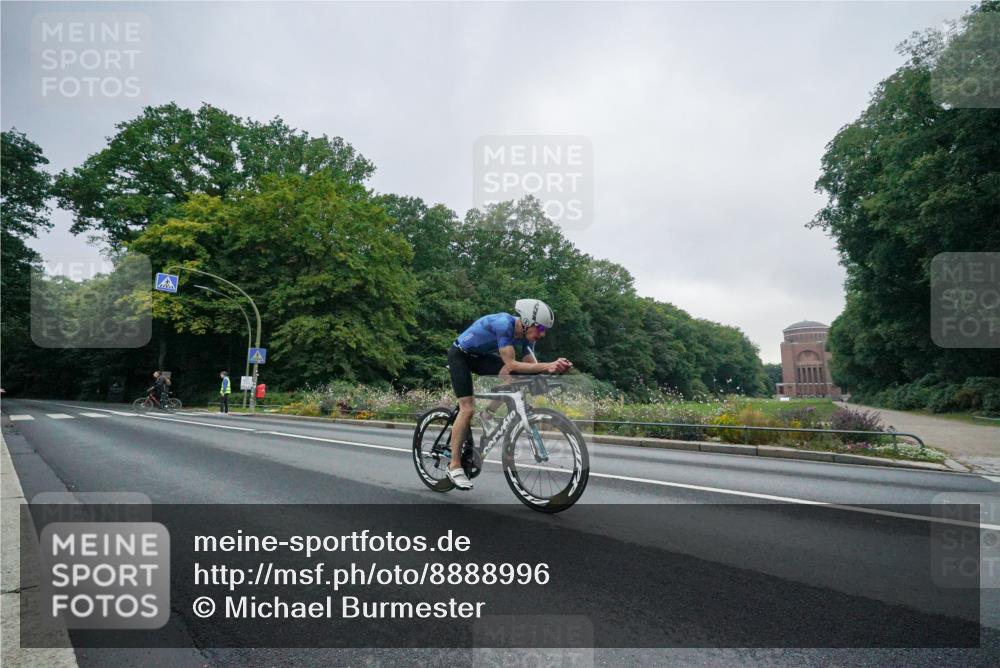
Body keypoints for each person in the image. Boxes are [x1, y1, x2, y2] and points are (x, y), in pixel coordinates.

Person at [446, 299, 572, 490]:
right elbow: (512, 364)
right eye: (540, 328)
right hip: (460, 355)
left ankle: (487, 415)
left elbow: (529, 368)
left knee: (514, 378)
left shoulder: (528, 337)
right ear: (527, 321)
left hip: (480, 358)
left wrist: (554, 370)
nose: (542, 333)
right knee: (467, 408)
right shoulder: (504, 325)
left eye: (544, 330)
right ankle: (454, 466)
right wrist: (548, 365)